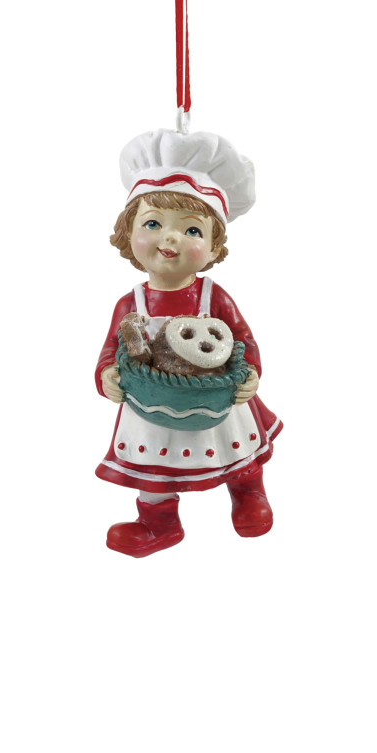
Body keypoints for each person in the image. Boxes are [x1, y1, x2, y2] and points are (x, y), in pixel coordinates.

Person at [95, 128, 280, 556]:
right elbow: (111, 349)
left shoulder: (214, 297)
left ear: (214, 248)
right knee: (154, 470)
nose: (171, 238)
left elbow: (243, 339)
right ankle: (159, 523)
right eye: (153, 223)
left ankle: (248, 493)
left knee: (238, 450)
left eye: (192, 230)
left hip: (219, 398)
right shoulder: (131, 304)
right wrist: (107, 375)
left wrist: (250, 373)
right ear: (127, 234)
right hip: (152, 406)